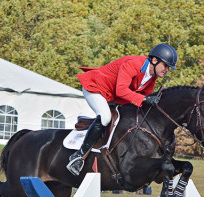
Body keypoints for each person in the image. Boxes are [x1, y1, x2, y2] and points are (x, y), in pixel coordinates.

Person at [66, 43, 178, 175]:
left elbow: (144, 98)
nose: (167, 70)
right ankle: (79, 156)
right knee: (105, 117)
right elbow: (121, 90)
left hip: (113, 96)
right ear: (154, 60)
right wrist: (144, 100)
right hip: (96, 88)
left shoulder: (152, 77)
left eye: (169, 68)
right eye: (166, 66)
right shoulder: (133, 64)